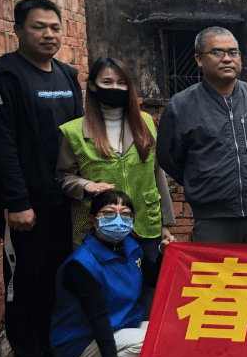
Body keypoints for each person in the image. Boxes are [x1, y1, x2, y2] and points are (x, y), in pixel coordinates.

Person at [0, 0, 84, 357]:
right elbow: (0, 143)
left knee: (54, 279)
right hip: (24, 204)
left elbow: (81, 135)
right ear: (17, 30)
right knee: (25, 284)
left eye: (54, 27)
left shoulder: (66, 74)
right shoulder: (3, 76)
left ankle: (49, 354)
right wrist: (16, 201)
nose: (49, 34)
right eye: (38, 27)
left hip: (63, 198)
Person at [156, 26, 247, 245]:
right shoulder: (181, 106)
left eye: (233, 52)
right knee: (219, 278)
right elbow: (169, 157)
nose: (227, 59)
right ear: (199, 59)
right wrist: (200, 180)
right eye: (217, 52)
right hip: (212, 219)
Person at [57, 57, 176, 273]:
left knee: (147, 289)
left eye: (122, 83)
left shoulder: (145, 122)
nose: (115, 88)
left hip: (144, 223)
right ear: (92, 85)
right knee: (104, 291)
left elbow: (157, 172)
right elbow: (63, 176)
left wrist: (165, 223)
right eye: (107, 82)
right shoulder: (73, 131)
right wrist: (84, 186)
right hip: (99, 227)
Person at [50, 190, 162, 357]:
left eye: (126, 214)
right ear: (93, 219)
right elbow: (97, 317)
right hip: (78, 342)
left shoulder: (131, 247)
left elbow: (154, 278)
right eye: (109, 213)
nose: (119, 220)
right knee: (148, 340)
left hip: (117, 329)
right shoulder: (82, 264)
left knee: (168, 332)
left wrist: (164, 253)